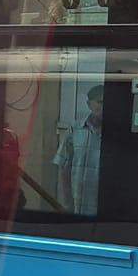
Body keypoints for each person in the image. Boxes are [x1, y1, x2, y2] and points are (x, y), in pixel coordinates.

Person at [54, 83, 105, 215]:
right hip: (78, 205)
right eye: (99, 102)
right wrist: (67, 201)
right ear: (89, 104)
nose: (103, 106)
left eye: (106, 102)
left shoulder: (118, 133)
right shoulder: (75, 129)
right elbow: (64, 166)